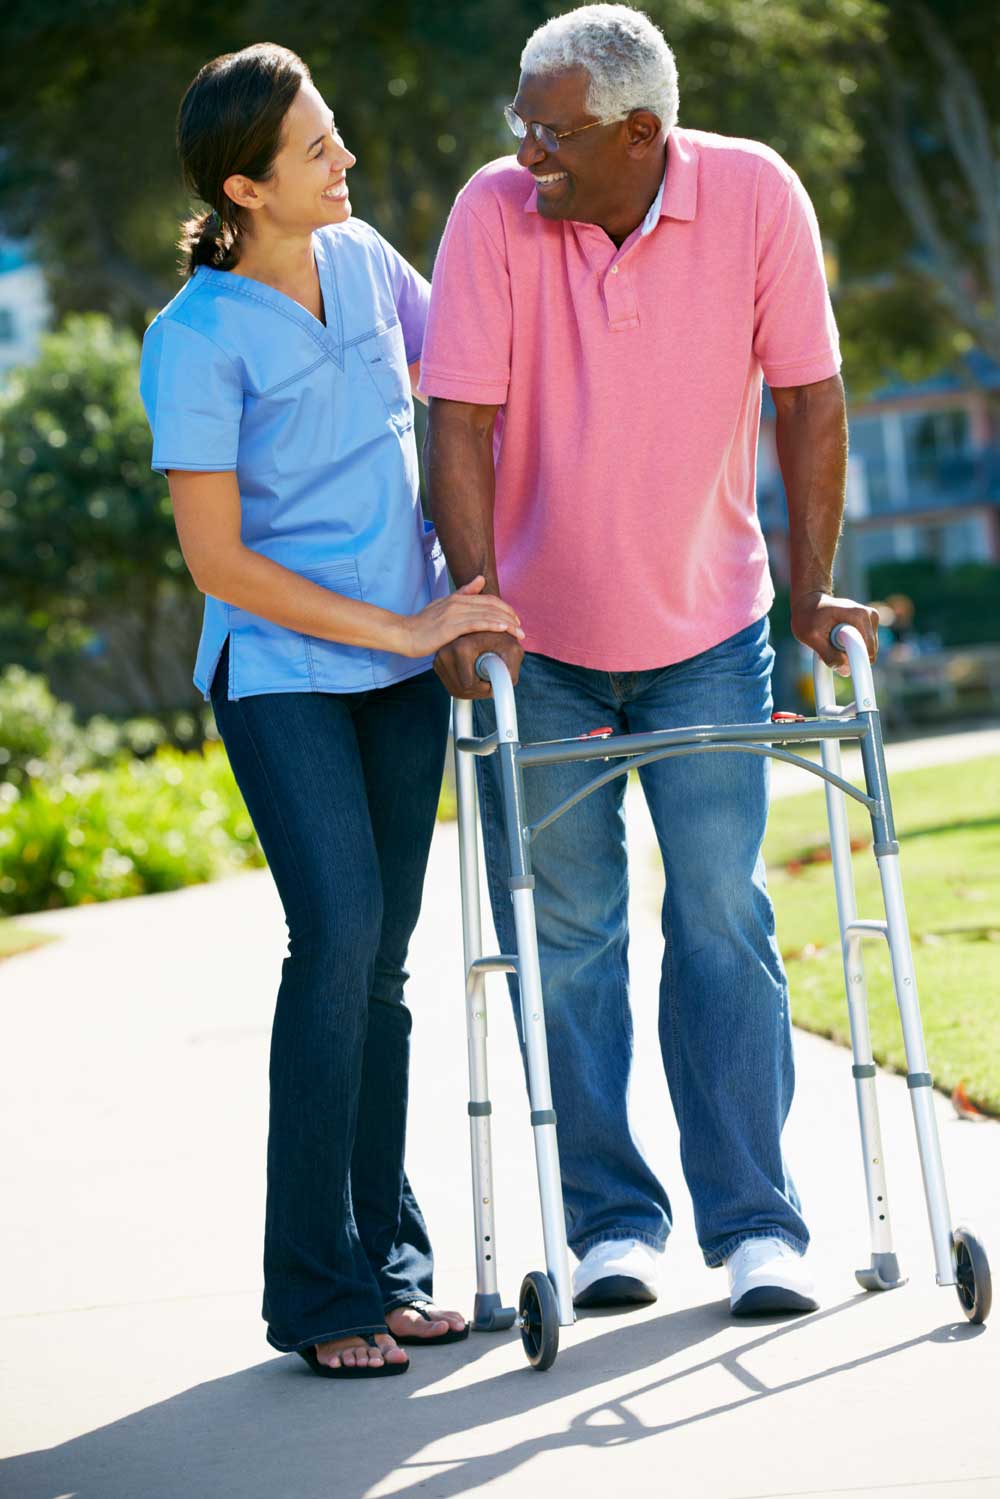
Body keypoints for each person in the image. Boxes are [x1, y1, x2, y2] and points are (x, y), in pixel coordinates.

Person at [420, 4, 879, 1316]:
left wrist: (809, 590)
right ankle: (612, 1223)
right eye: (521, 122)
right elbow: (457, 418)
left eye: (551, 131)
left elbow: (812, 396)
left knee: (723, 915)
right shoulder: (493, 213)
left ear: (641, 133)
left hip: (710, 629)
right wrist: (476, 598)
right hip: (544, 646)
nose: (526, 151)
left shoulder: (755, 195)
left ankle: (755, 1227)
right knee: (566, 935)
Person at [139, 43, 523, 1378]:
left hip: (402, 675)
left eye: (338, 135)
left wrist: (466, 596)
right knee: (338, 938)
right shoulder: (191, 335)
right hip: (286, 678)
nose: (343, 160)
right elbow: (219, 563)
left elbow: (471, 387)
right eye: (315, 151)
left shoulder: (369, 267)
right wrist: (410, 623)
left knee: (383, 967)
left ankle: (390, 1261)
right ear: (246, 187)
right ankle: (314, 1290)